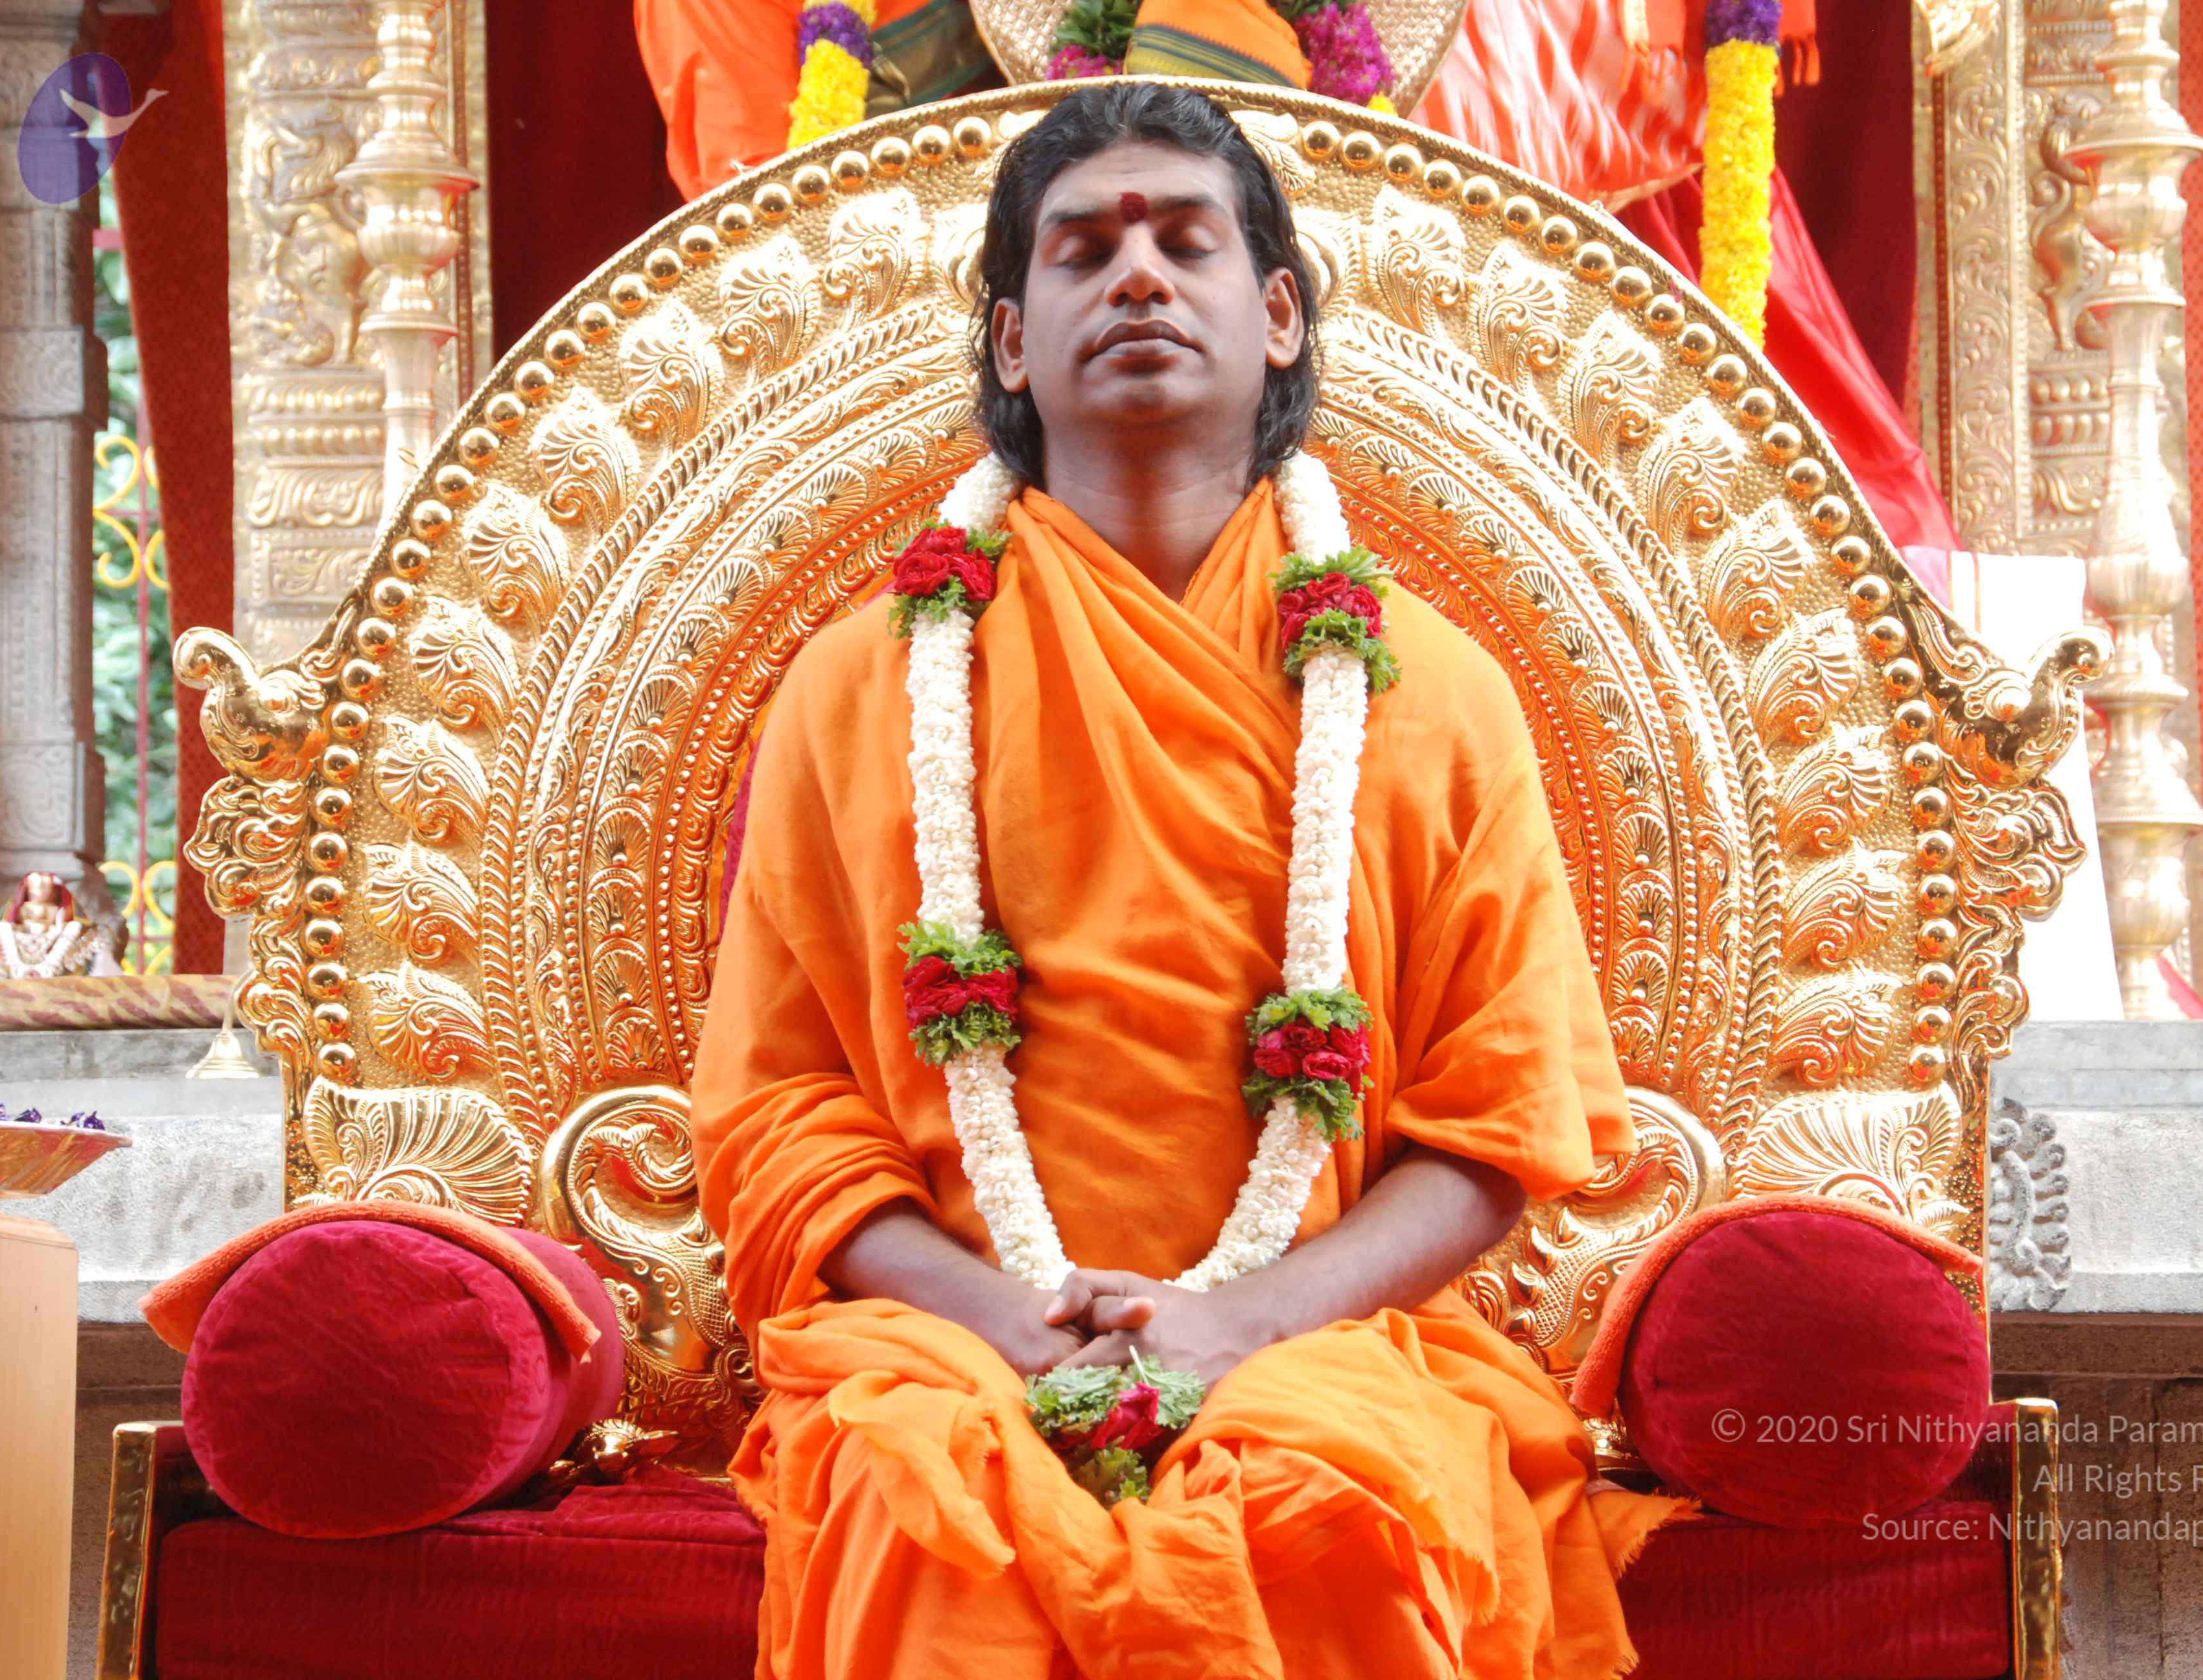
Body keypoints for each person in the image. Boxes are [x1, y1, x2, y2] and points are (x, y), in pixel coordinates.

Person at [689, 81, 1685, 1680]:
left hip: (1324, 1341)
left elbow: (1497, 1120)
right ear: (1013, 343)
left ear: (1277, 315)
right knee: (915, 1496)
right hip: (949, 1345)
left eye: (1183, 242)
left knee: (1322, 1499)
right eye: (1083, 251)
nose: (1137, 276)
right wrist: (1008, 1324)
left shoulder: (1432, 692)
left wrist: (1242, 1324)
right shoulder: (859, 687)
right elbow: (780, 1111)